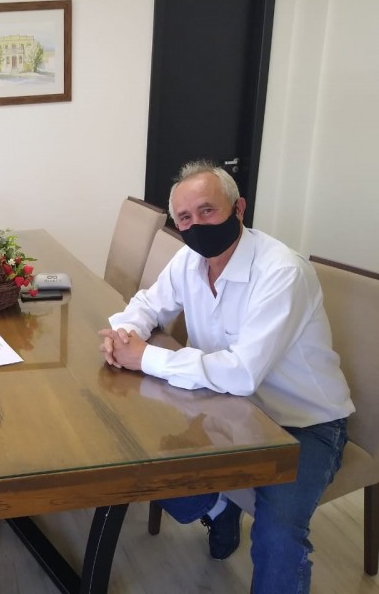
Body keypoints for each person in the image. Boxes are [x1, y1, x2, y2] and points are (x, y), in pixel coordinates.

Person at [99, 160, 354, 593]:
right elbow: (148, 303)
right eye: (185, 218)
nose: (196, 225)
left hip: (304, 426)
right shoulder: (190, 260)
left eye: (207, 210)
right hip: (226, 408)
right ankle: (219, 506)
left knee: (277, 533)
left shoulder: (281, 272)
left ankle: (223, 503)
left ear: (238, 209)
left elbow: (242, 373)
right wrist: (125, 333)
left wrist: (145, 358)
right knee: (141, 454)